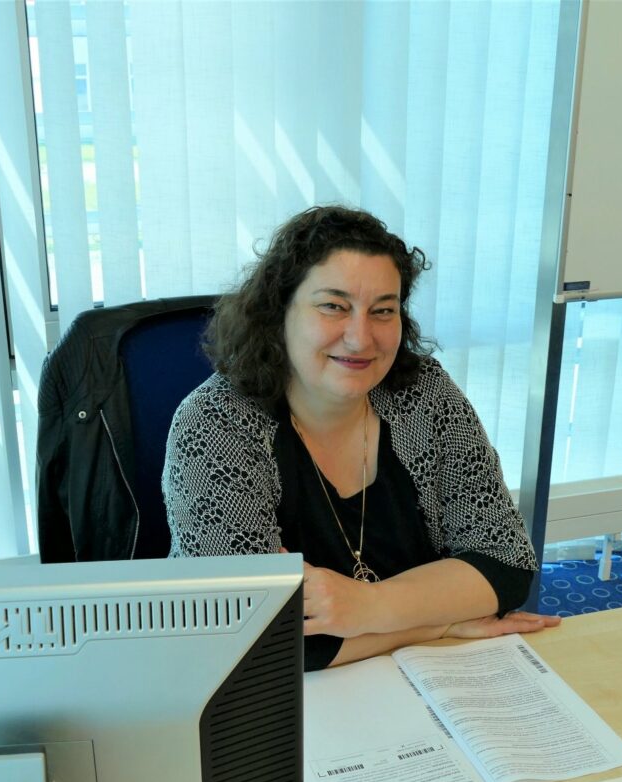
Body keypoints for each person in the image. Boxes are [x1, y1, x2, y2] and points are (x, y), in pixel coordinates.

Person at [163, 205, 559, 670]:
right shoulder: (216, 423)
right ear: (279, 312)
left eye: (383, 311)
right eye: (333, 306)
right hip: (285, 697)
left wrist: (366, 607)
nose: (360, 338)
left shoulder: (424, 392)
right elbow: (246, 635)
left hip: (431, 676)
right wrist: (435, 623)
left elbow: (506, 563)